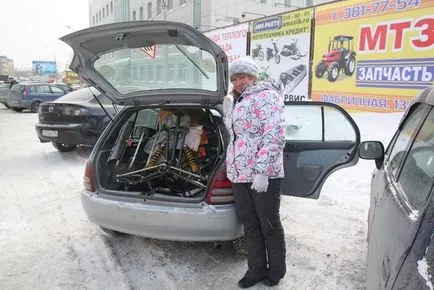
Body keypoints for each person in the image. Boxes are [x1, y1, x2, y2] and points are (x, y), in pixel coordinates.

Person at [222, 57, 286, 288]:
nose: (240, 82)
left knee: (269, 224)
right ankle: (256, 269)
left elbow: (274, 136)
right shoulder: (236, 101)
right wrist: (228, 112)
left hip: (264, 175)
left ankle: (276, 271)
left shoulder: (266, 96)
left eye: (244, 77)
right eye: (236, 78)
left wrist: (262, 172)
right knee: (250, 225)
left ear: (254, 77)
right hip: (239, 174)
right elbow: (238, 137)